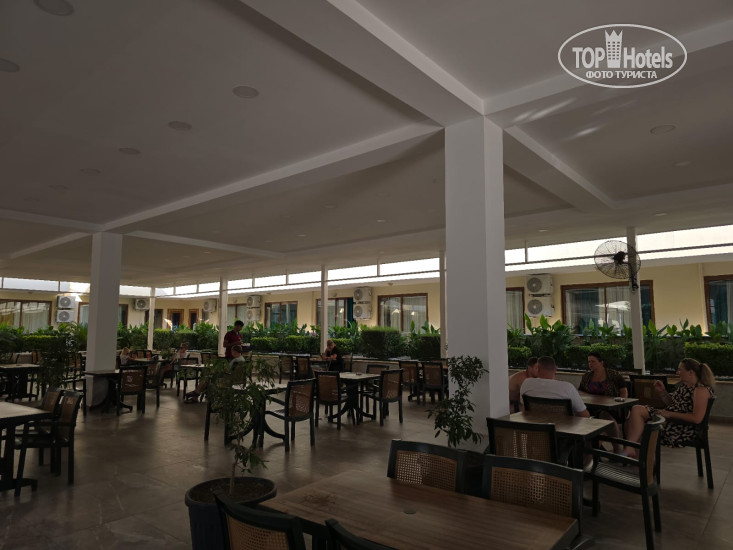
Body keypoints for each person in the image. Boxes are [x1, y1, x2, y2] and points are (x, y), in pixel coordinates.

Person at [623, 358, 715, 458]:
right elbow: (671, 403)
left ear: (690, 372)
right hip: (670, 420)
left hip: (681, 429)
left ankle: (634, 454)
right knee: (631, 422)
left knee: (637, 413)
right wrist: (662, 391)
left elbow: (697, 418)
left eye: (680, 370)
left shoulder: (701, 390)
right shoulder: (685, 386)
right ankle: (638, 459)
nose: (677, 372)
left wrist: (669, 414)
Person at [578, 352, 628, 449]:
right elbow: (580, 391)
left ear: (601, 363)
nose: (590, 364)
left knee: (604, 415)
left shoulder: (614, 375)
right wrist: (590, 396)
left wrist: (621, 402)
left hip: (612, 408)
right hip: (592, 407)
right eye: (589, 362)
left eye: (593, 361)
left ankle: (616, 447)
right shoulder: (586, 376)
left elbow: (624, 391)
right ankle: (590, 448)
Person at [520, 356, 589, 417]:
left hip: (536, 426)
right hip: (563, 427)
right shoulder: (567, 387)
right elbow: (584, 415)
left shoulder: (527, 383)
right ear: (555, 369)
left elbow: (523, 408)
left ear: (537, 368)